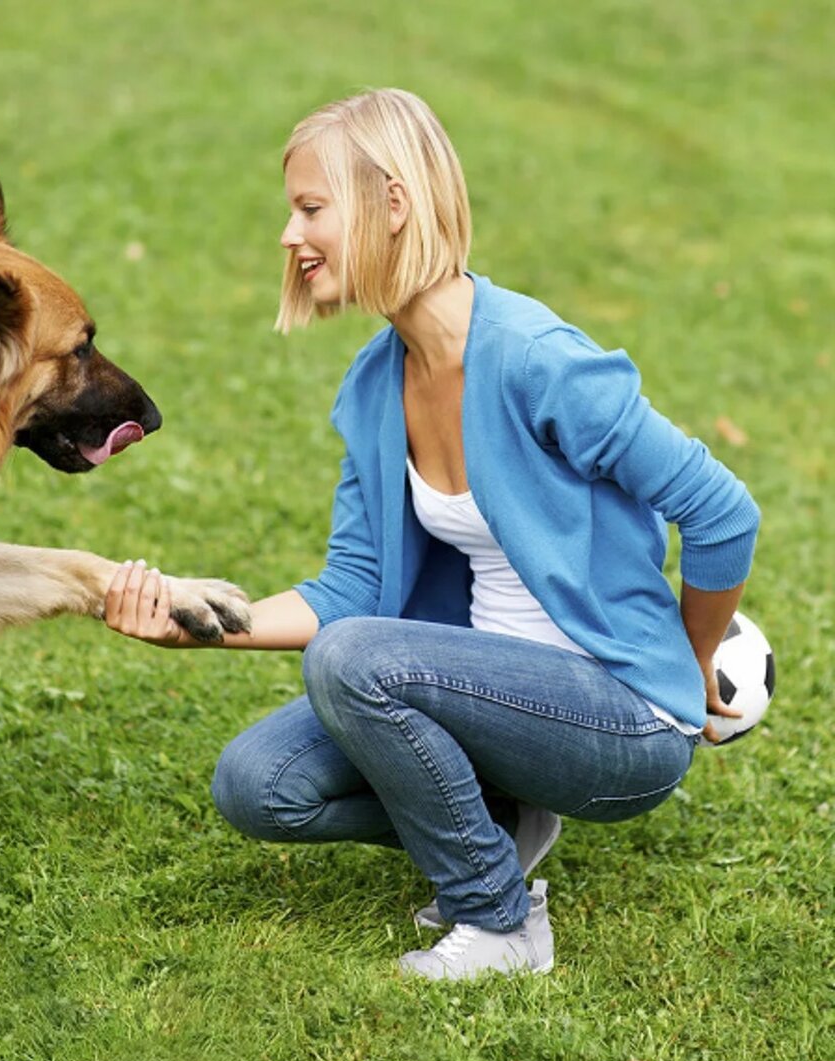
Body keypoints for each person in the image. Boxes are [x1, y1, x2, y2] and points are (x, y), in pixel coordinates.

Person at [103, 88, 760, 981]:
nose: (290, 236)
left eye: (310, 208)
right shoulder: (377, 387)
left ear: (393, 204)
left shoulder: (538, 359)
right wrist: (199, 618)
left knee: (355, 660)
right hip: (493, 696)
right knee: (258, 783)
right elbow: (350, 591)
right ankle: (502, 819)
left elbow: (723, 511)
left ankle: (499, 920)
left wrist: (689, 659)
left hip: (620, 717)